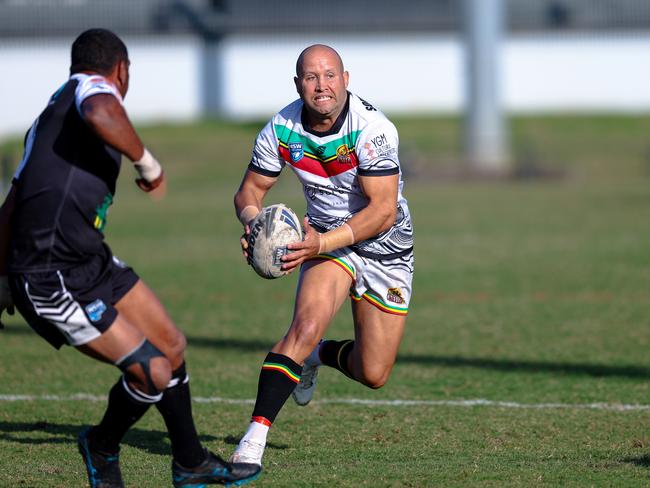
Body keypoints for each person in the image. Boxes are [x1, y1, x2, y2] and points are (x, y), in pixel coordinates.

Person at [0, 28, 260, 488]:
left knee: (172, 345)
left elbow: (12, 203)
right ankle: (100, 445)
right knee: (153, 371)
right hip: (49, 276)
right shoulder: (93, 89)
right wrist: (147, 162)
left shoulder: (47, 118)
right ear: (121, 70)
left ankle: (190, 462)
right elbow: (101, 109)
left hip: (89, 259)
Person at [230, 44, 414, 473]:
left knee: (373, 372)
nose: (321, 85)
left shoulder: (373, 128)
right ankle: (252, 441)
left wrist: (322, 244)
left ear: (345, 79)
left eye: (329, 75)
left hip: (385, 245)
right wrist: (257, 226)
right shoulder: (281, 127)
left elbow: (383, 209)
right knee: (305, 326)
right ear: (298, 85)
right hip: (324, 243)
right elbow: (249, 193)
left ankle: (318, 356)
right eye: (311, 78)